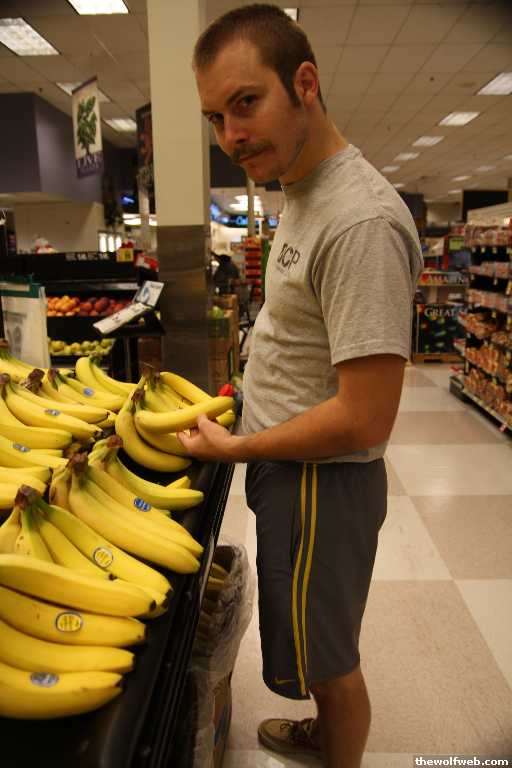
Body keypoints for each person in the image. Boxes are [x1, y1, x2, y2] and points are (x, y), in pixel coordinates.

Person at [178, 6, 423, 767]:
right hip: (292, 472)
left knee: (330, 662)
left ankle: (337, 749)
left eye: (246, 103)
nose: (230, 135)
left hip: (323, 484)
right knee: (313, 644)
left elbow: (366, 418)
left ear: (305, 84)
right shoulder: (304, 188)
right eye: (215, 117)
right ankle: (322, 732)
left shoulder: (359, 223)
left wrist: (238, 448)